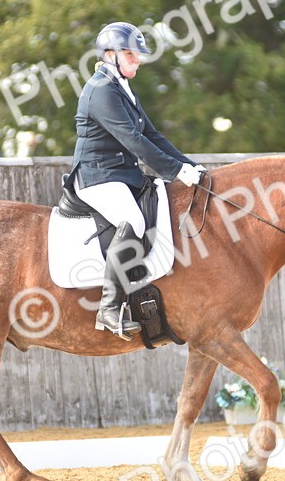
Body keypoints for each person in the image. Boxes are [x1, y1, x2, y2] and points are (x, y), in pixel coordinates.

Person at [71, 21, 206, 339]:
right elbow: (133, 140)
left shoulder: (121, 86)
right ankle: (108, 307)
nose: (138, 60)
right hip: (98, 176)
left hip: (122, 174)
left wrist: (190, 166)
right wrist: (174, 171)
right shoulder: (101, 90)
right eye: (130, 54)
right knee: (132, 220)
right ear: (109, 54)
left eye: (138, 55)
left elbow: (151, 133)